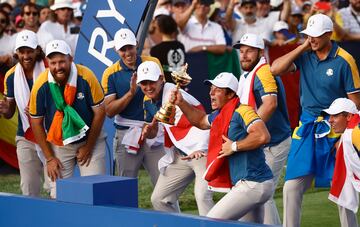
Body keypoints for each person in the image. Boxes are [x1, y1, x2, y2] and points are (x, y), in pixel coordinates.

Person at [270, 13, 360, 227]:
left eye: (317, 35)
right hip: (308, 126)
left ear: (330, 34)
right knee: (291, 187)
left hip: (335, 128)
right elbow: (275, 69)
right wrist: (303, 47)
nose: (312, 39)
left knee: (342, 187)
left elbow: (356, 105)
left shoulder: (345, 60)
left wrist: (346, 137)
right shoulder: (305, 53)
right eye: (309, 35)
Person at [173, 72, 274, 223]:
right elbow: (200, 121)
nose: (211, 93)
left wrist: (234, 146)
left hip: (253, 184)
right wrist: (181, 102)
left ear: (230, 94)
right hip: (255, 184)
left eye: (217, 90)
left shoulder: (243, 111)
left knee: (211, 222)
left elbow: (263, 136)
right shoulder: (220, 115)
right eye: (211, 89)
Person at [29, 40, 106, 198]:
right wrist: (50, 158)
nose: (58, 67)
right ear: (47, 63)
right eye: (53, 63)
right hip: (59, 143)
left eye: (62, 61)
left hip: (89, 139)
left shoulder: (87, 76)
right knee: (58, 195)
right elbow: (36, 122)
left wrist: (89, 146)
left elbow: (100, 112)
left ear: (70, 59)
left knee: (95, 192)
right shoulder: (40, 85)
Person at [137, 61, 214, 215]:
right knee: (159, 199)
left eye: (151, 82)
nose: (148, 87)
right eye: (144, 83)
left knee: (202, 196)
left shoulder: (173, 93)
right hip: (181, 155)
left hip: (201, 151)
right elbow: (159, 128)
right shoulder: (149, 100)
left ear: (161, 79)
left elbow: (200, 119)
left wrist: (202, 147)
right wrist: (149, 131)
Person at [233, 33, 291, 225]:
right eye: (241, 52)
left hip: (275, 142)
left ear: (260, 52)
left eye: (249, 51)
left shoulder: (263, 72)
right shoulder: (248, 75)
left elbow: (270, 104)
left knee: (262, 192)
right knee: (260, 193)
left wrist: (251, 132)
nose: (244, 55)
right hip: (267, 141)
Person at [101, 28, 164, 186]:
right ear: (116, 50)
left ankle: (169, 211)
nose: (128, 52)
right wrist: (130, 93)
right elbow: (109, 111)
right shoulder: (110, 73)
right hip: (126, 132)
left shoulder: (153, 62)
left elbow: (162, 93)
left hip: (153, 129)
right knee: (125, 187)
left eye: (130, 47)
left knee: (163, 185)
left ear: (137, 45)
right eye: (123, 49)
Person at [0, 30, 45, 197]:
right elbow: (10, 111)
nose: (26, 56)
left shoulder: (49, 69)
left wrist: (41, 109)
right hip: (25, 135)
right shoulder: (11, 76)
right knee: (28, 188)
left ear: (38, 51)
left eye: (30, 51)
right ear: (16, 53)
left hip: (52, 134)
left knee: (55, 186)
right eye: (22, 51)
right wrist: (6, 110)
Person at [324, 98, 359, 227]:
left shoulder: (354, 133)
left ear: (349, 116)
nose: (330, 120)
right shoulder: (351, 133)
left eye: (335, 115)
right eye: (330, 115)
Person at [150, 14, 186, 84]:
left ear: (159, 29)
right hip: (181, 85)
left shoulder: (155, 50)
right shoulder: (181, 46)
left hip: (166, 87)